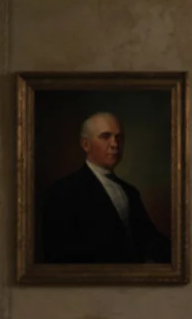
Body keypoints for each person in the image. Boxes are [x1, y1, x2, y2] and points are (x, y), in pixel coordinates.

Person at [40, 111, 170, 264]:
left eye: (118, 137)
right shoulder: (63, 191)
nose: (115, 144)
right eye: (105, 136)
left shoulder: (130, 192)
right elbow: (58, 255)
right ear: (85, 144)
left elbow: (149, 240)